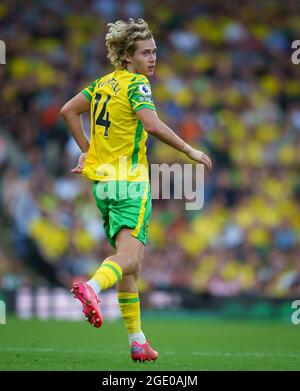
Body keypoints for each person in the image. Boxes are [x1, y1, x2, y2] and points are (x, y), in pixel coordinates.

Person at [60, 18, 212, 363]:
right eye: (146, 52)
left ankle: (137, 341)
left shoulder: (102, 84)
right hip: (129, 183)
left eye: (155, 51)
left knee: (133, 266)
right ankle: (92, 287)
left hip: (102, 184)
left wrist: (88, 150)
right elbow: (151, 124)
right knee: (128, 259)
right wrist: (190, 150)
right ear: (128, 56)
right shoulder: (137, 84)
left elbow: (68, 111)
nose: (153, 58)